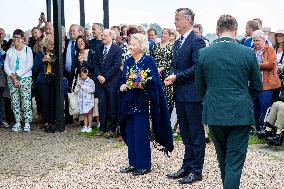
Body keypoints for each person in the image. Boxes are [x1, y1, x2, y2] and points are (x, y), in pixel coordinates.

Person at [195, 14, 262, 189]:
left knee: (223, 157)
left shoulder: (204, 53)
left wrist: (213, 99)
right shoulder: (247, 53)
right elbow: (257, 85)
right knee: (234, 161)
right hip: (240, 111)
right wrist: (244, 97)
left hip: (215, 111)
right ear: (236, 30)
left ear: (217, 31)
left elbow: (200, 88)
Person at [119, 33, 173, 176]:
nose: (130, 46)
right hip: (129, 102)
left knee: (141, 134)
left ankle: (144, 165)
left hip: (143, 103)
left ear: (141, 46)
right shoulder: (129, 61)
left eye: (133, 44)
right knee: (130, 133)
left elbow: (154, 82)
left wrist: (143, 84)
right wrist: (123, 85)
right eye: (130, 44)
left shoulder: (148, 61)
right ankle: (133, 163)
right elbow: (123, 79)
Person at [164, 8, 206, 185]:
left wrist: (176, 77)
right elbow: (175, 64)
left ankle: (197, 171)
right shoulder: (177, 42)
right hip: (180, 94)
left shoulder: (198, 41)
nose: (175, 22)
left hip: (193, 95)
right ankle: (186, 166)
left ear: (188, 20)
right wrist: (171, 74)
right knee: (186, 134)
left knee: (196, 134)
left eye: (178, 19)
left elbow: (198, 68)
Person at [94, 29, 122, 138]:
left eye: (105, 36)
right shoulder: (98, 48)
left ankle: (112, 129)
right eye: (102, 35)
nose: (102, 37)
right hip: (100, 82)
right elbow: (95, 64)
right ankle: (102, 128)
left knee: (112, 105)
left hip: (112, 82)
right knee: (102, 105)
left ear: (111, 37)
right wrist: (98, 76)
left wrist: (105, 77)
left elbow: (116, 66)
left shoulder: (117, 50)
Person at [4, 29, 33, 132]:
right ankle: (17, 122)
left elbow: (29, 65)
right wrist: (12, 75)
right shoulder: (10, 51)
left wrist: (17, 75)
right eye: (14, 37)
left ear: (22, 39)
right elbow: (6, 65)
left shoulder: (28, 50)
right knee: (15, 101)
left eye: (18, 38)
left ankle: (27, 122)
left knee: (25, 100)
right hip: (11, 79)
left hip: (25, 78)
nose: (16, 40)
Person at [252, 30, 281, 132]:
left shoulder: (270, 50)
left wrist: (256, 65)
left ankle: (265, 129)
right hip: (254, 84)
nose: (255, 43)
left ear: (263, 40)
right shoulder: (252, 51)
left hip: (266, 85)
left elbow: (272, 64)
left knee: (265, 107)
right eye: (254, 40)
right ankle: (257, 128)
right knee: (255, 107)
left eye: (257, 40)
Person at [33, 34, 57, 133]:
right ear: (46, 44)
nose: (52, 46)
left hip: (53, 80)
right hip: (42, 81)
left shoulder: (55, 53)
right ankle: (46, 123)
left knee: (52, 102)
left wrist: (52, 62)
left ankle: (52, 122)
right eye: (51, 44)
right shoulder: (40, 54)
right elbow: (35, 69)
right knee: (45, 102)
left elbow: (60, 67)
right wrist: (42, 61)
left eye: (53, 44)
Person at [152, 28, 174, 114]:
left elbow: (171, 61)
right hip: (155, 74)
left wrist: (161, 68)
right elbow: (151, 58)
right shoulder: (155, 45)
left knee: (166, 99)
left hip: (166, 75)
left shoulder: (171, 47)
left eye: (165, 34)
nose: (163, 35)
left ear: (169, 35)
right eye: (162, 33)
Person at [63, 24, 80, 124]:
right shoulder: (67, 43)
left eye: (74, 31)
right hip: (67, 73)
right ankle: (68, 116)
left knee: (80, 95)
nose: (71, 33)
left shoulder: (80, 43)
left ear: (78, 32)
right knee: (67, 95)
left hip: (78, 74)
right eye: (70, 31)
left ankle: (81, 117)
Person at [74, 67, 95, 133]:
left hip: (88, 101)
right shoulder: (80, 81)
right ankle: (85, 126)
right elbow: (75, 91)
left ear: (87, 73)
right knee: (85, 114)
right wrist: (78, 85)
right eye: (81, 76)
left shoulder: (91, 81)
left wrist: (83, 86)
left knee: (89, 113)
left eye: (83, 75)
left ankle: (90, 126)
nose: (82, 77)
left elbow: (92, 90)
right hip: (82, 101)